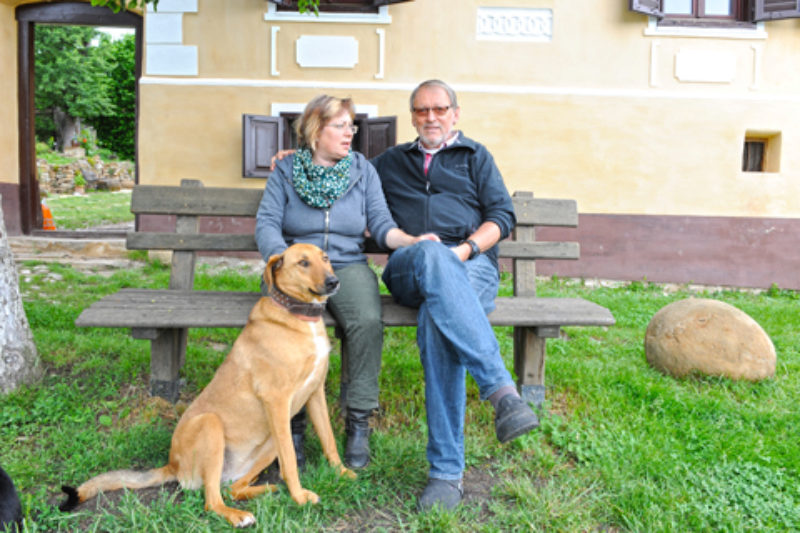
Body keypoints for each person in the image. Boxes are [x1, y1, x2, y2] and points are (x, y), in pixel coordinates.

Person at [369, 79, 540, 511]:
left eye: (439, 109)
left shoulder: (476, 157)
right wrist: (295, 156)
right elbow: (342, 174)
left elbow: (502, 216)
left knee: (437, 323)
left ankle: (446, 474)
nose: (431, 117)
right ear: (412, 116)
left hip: (472, 263)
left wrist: (463, 250)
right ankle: (503, 394)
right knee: (429, 253)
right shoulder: (389, 162)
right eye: (422, 111)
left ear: (455, 114)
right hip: (411, 262)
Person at [255, 94, 437, 471]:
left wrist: (410, 240)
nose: (349, 133)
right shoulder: (286, 171)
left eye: (351, 126)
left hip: (347, 265)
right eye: (340, 126)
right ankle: (294, 426)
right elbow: (268, 223)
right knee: (285, 332)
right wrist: (283, 263)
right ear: (314, 130)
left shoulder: (362, 170)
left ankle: (358, 421)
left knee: (367, 322)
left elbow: (382, 224)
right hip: (298, 266)